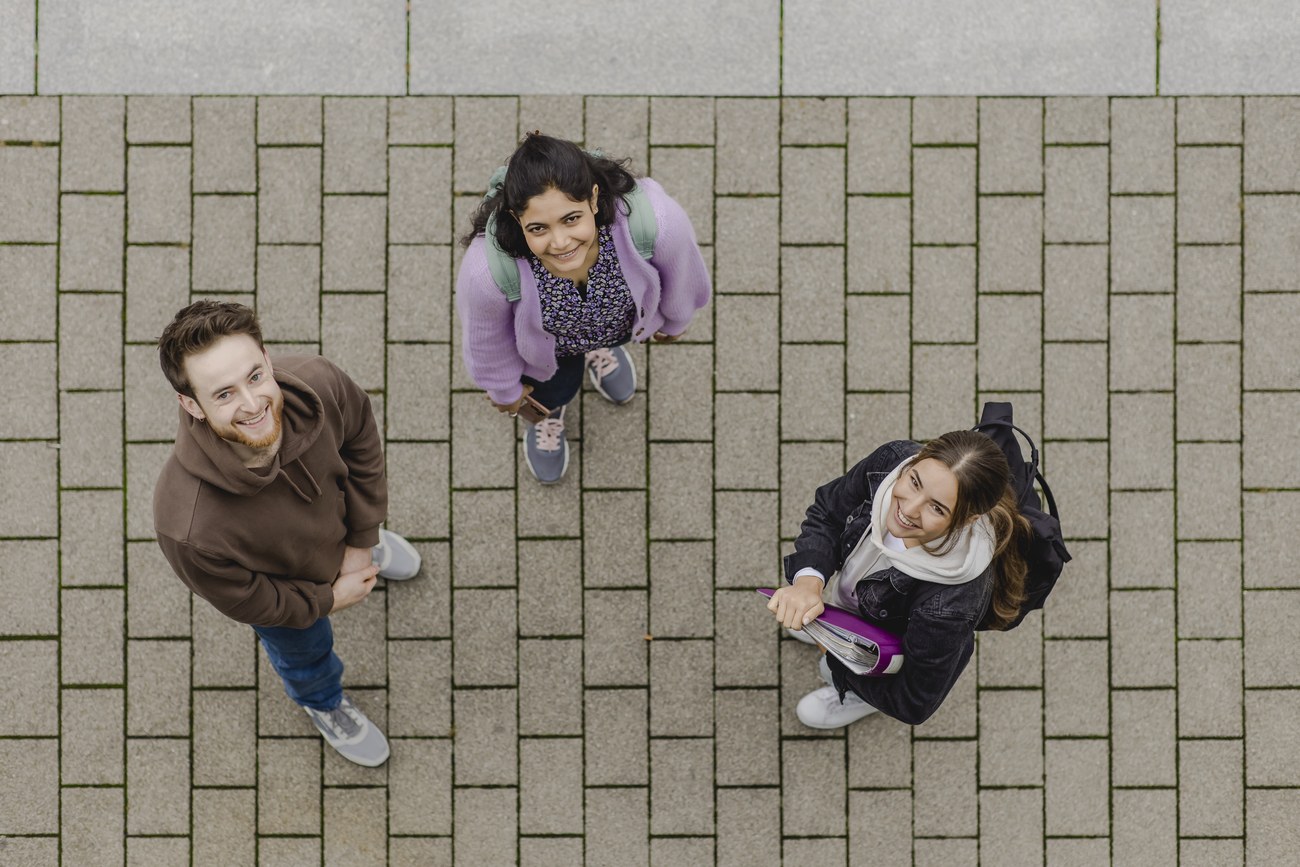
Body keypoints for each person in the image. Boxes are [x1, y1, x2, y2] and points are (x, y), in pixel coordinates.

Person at [152, 300, 421, 766]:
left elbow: (362, 449)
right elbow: (249, 600)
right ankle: (323, 703)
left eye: (255, 376)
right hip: (293, 590)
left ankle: (369, 551)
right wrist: (328, 602)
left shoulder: (320, 382)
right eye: (224, 394)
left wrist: (361, 542)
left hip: (344, 534)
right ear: (190, 404)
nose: (253, 405)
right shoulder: (187, 527)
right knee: (306, 656)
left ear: (268, 359)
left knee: (363, 540)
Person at [456, 132, 711, 484]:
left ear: (593, 198)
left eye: (571, 219)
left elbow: (682, 274)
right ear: (516, 219)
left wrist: (676, 318)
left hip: (618, 324)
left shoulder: (656, 222)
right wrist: (507, 392)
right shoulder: (487, 272)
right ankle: (549, 416)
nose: (560, 243)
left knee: (609, 336)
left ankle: (600, 350)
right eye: (538, 228)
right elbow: (486, 341)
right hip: (547, 350)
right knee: (553, 390)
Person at [767, 431, 1032, 728]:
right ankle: (826, 617)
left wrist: (836, 657)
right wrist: (808, 583)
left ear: (968, 519)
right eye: (914, 481)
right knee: (817, 608)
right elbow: (829, 513)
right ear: (915, 460)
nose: (907, 509)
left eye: (936, 507)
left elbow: (913, 701)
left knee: (831, 670)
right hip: (856, 597)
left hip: (882, 642)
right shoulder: (891, 461)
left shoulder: (949, 607)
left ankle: (854, 696)